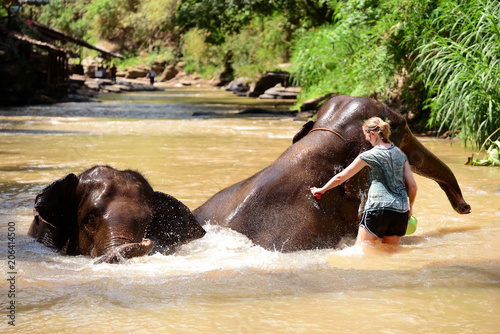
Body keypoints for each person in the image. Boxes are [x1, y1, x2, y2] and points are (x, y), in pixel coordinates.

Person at [310, 117, 417, 248]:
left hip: (378, 208)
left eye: (366, 135)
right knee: (390, 252)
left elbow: (341, 177)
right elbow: (413, 186)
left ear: (372, 133)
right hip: (400, 211)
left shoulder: (369, 155)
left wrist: (322, 189)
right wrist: (410, 206)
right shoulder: (400, 155)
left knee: (362, 251)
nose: (366, 139)